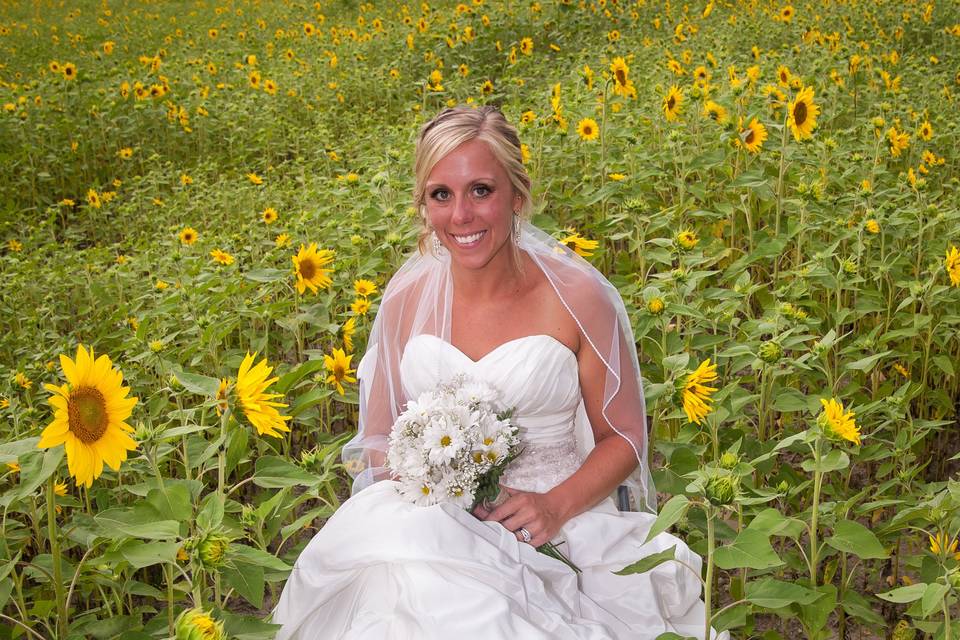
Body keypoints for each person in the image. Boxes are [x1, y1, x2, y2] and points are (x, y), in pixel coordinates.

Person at [270, 105, 727, 640]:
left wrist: (552, 507)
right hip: (433, 527)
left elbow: (623, 437)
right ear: (424, 203)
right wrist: (433, 489)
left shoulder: (578, 298)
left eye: (480, 189)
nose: (461, 215)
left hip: (560, 522)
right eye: (441, 194)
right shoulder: (405, 302)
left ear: (517, 193)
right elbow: (378, 439)